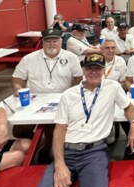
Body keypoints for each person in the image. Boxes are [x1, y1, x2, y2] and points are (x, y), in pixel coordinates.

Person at [16, 54, 134, 187]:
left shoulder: (112, 88)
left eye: (98, 68)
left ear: (104, 71)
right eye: (89, 68)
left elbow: (128, 107)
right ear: (83, 70)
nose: (93, 72)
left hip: (94, 153)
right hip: (66, 152)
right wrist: (59, 164)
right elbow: (59, 131)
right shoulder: (69, 95)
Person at [12, 28, 83, 162]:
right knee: (18, 131)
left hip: (61, 101)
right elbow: (17, 79)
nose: (52, 44)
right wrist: (17, 89)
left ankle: (45, 153)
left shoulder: (71, 57)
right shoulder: (29, 59)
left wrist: (75, 94)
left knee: (52, 130)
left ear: (60, 41)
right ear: (43, 42)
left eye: (55, 41)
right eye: (48, 41)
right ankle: (37, 143)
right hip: (33, 102)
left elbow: (79, 79)